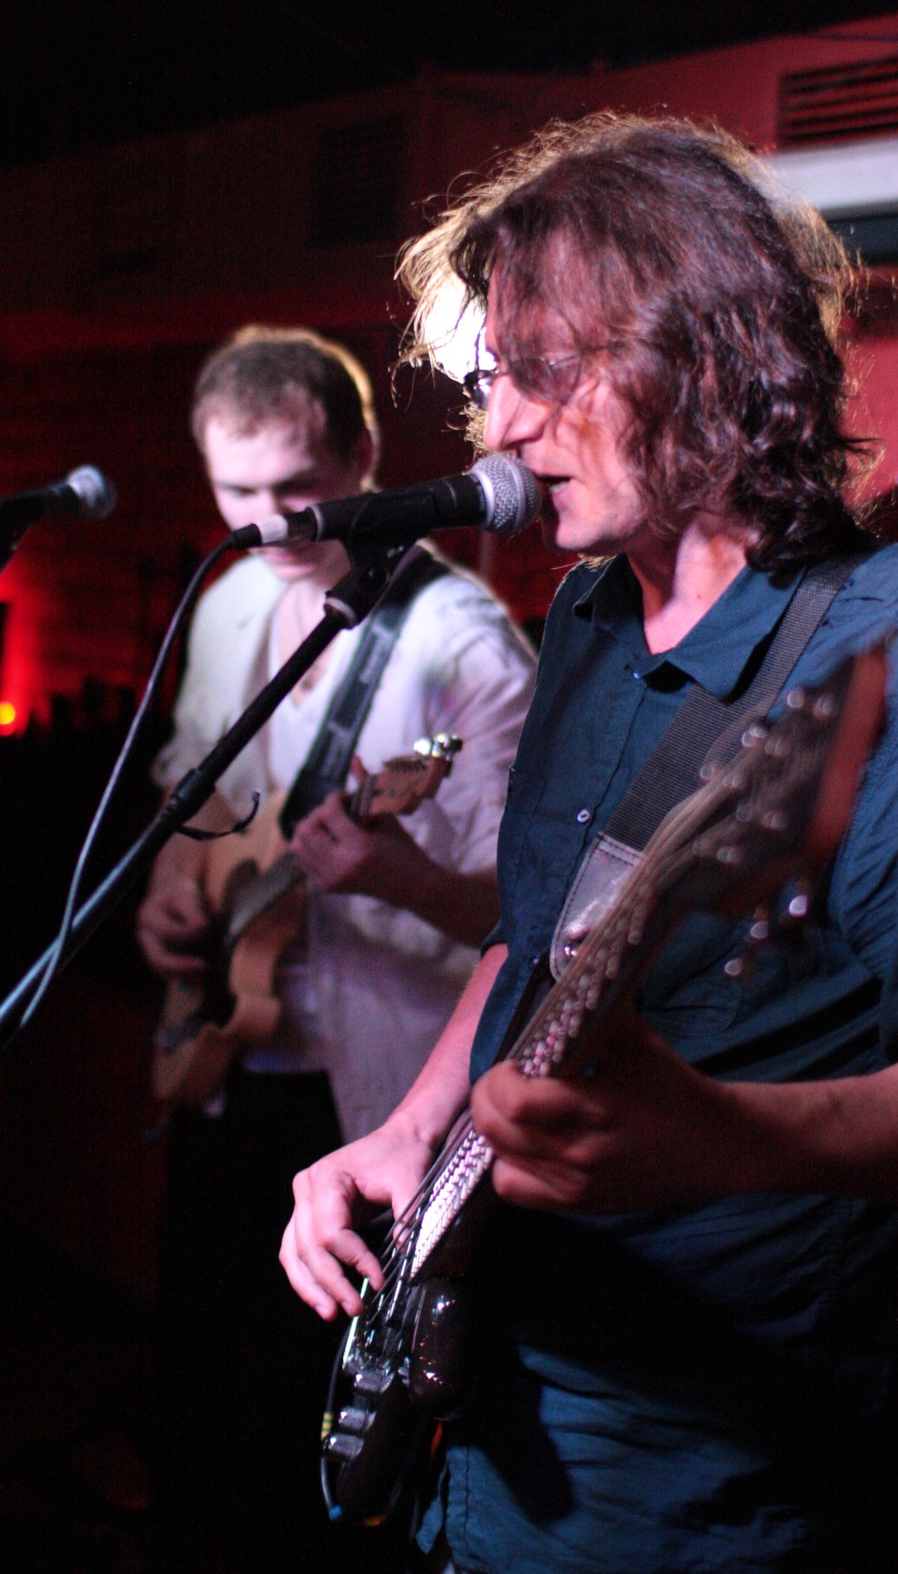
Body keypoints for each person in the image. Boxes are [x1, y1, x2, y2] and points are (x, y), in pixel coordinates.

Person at [280, 118, 898, 1574]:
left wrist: (720, 1136)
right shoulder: (588, 615)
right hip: (491, 1405)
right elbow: (532, 939)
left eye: (542, 371)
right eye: (487, 380)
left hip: (722, 1479)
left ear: (705, 356)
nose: (499, 431)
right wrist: (415, 1127)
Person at [136, 325, 536, 1574]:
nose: (267, 522)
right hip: (227, 1061)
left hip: (371, 1101)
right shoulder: (230, 601)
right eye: (236, 492)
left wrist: (399, 874)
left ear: (364, 456)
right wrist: (169, 887)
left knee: (307, 1456)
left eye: (296, 486)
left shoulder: (464, 645)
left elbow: (537, 924)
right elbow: (199, 787)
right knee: (195, 1397)